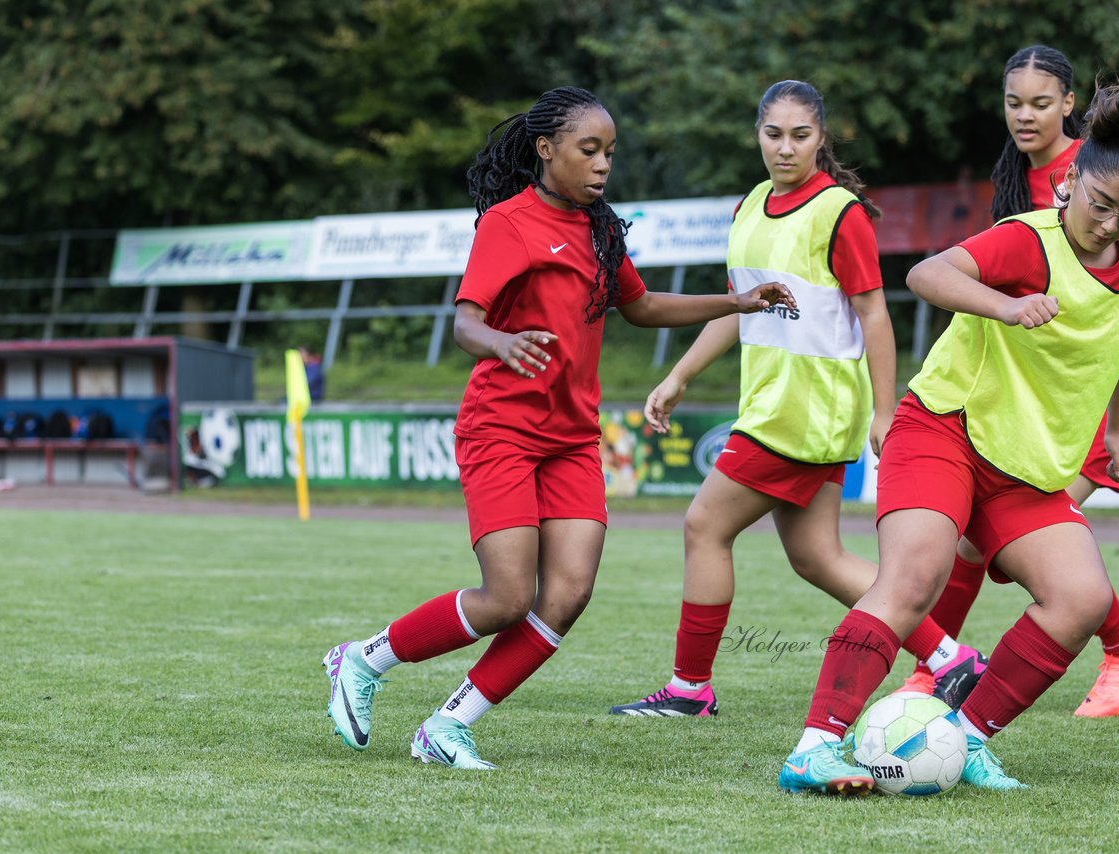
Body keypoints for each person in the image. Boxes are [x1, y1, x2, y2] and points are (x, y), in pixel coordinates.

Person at [321, 85, 795, 770]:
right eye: (589, 150)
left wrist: (737, 301)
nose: (603, 164)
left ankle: (448, 727)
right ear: (546, 150)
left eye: (609, 152)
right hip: (501, 430)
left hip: (572, 437)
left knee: (568, 593)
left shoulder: (599, 228)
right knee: (508, 597)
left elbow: (643, 305)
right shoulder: (508, 224)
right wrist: (500, 343)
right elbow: (464, 321)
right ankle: (364, 660)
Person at [778, 82, 1119, 795]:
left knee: (1082, 599)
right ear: (1073, 182)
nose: (1111, 227)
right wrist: (1007, 303)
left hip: (1025, 467)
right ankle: (815, 746)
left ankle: (962, 741)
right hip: (946, 430)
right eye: (1103, 205)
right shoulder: (1030, 238)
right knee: (914, 577)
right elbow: (927, 273)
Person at [607, 80, 983, 721]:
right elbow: (737, 310)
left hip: (805, 413)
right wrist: (679, 377)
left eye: (800, 136)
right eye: (773, 134)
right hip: (776, 407)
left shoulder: (840, 212)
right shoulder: (748, 207)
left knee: (704, 525)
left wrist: (884, 411)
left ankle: (689, 689)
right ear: (757, 134)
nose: (785, 148)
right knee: (818, 558)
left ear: (821, 138)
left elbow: (876, 317)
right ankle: (952, 661)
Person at [895, 45, 1119, 719]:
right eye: (1013, 102)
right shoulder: (1020, 179)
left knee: (1044, 555)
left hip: (1062, 414)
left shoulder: (1093, 174)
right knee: (976, 541)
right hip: (1016, 399)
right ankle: (935, 672)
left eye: (1041, 103)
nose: (1025, 115)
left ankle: (1108, 655)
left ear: (1070, 107)